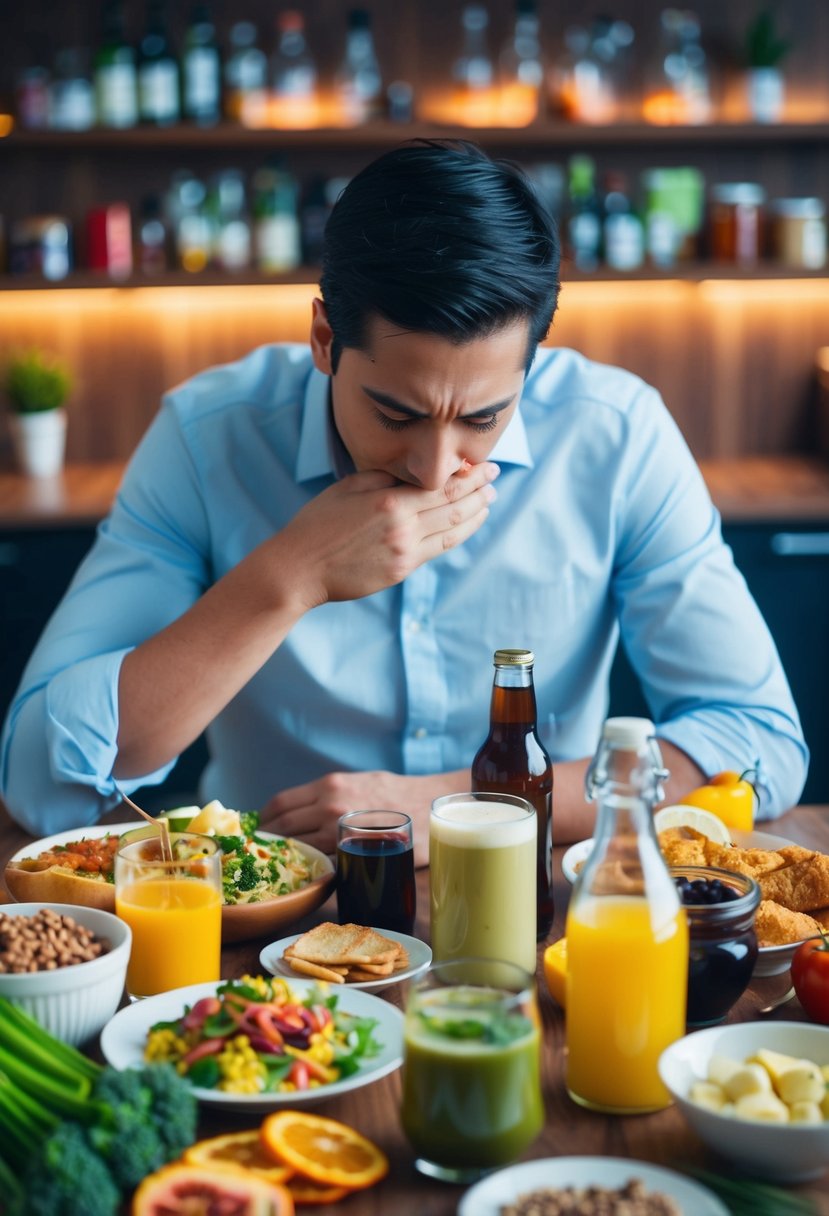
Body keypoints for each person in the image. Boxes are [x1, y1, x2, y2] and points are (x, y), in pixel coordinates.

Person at [0, 140, 807, 863]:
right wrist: (290, 576)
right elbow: (44, 782)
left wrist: (467, 804)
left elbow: (756, 742)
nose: (433, 469)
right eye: (395, 414)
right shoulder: (208, 435)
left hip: (538, 908)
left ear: (532, 360)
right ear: (324, 339)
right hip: (267, 915)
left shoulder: (617, 434)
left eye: (484, 417)